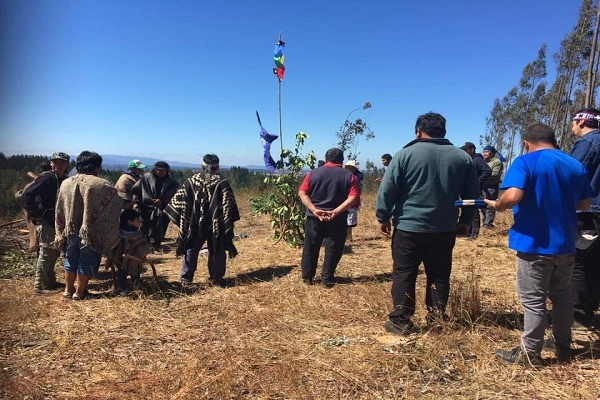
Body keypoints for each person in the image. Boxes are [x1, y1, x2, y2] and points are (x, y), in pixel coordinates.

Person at [485, 124, 592, 365]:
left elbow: (513, 196)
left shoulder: (526, 162)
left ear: (526, 143)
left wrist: (498, 205)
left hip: (534, 244)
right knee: (562, 297)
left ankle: (530, 352)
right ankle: (563, 345)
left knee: (533, 300)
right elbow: (584, 204)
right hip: (565, 244)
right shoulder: (575, 165)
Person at [376, 112, 480, 334]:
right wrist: (466, 221)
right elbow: (472, 194)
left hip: (408, 227)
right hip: (444, 228)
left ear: (418, 131)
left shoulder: (404, 155)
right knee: (439, 274)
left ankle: (400, 320)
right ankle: (437, 319)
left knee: (404, 273)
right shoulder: (462, 158)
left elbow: (388, 189)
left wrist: (383, 217)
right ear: (444, 131)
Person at [54, 151, 123, 300]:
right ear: (96, 166)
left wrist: (62, 227)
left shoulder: (66, 182)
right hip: (91, 231)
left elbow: (59, 208)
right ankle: (80, 292)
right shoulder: (100, 184)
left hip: (69, 230)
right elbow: (116, 202)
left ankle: (68, 290)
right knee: (88, 260)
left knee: (70, 258)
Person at [165, 154, 240, 286]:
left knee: (191, 248)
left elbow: (179, 201)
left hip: (194, 223)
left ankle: (185, 279)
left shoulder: (191, 181)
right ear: (218, 167)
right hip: (216, 224)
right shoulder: (222, 183)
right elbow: (228, 206)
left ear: (202, 166)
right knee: (217, 248)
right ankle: (216, 278)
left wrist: (186, 218)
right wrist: (225, 221)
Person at [298, 148, 360, 288]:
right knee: (334, 248)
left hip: (314, 217)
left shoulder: (312, 173)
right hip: (338, 218)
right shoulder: (350, 176)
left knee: (310, 246)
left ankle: (307, 277)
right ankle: (327, 279)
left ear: (326, 159)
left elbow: (302, 193)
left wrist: (314, 210)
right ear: (342, 160)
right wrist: (336, 211)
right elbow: (354, 196)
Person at [21, 152, 70, 293]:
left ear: (67, 164)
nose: (58, 165)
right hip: (47, 221)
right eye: (56, 162)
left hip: (56, 222)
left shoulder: (62, 179)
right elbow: (27, 194)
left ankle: (50, 282)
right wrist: (35, 214)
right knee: (46, 252)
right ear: (51, 163)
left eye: (62, 162)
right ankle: (39, 286)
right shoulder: (47, 178)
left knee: (53, 252)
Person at [569, 108, 600, 328]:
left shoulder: (589, 142)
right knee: (594, 262)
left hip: (588, 212)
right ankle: (588, 310)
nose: (572, 126)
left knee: (579, 262)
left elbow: (570, 173)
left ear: (581, 121)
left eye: (573, 121)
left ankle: (577, 316)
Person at [132, 161, 178, 252]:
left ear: (167, 171)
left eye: (163, 170)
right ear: (155, 169)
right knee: (143, 225)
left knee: (158, 226)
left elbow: (173, 195)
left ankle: (155, 245)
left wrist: (162, 201)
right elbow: (137, 190)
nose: (161, 172)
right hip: (145, 206)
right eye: (159, 170)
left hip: (161, 207)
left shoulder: (171, 181)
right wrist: (136, 202)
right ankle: (141, 245)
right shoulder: (146, 177)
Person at [106, 209, 151, 295]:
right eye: (137, 219)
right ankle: (122, 288)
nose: (140, 221)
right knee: (124, 273)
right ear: (129, 222)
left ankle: (133, 286)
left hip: (130, 259)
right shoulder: (134, 234)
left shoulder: (126, 232)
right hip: (124, 259)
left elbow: (140, 246)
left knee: (131, 272)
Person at [460, 142, 491, 240]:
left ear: (472, 150)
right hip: (468, 188)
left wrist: (478, 181)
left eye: (465, 150)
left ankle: (474, 233)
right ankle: (468, 232)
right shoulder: (469, 159)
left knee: (474, 210)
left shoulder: (478, 159)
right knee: (468, 209)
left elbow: (487, 170)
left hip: (474, 189)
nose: (464, 152)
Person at [481, 145, 504, 228]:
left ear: (492, 153)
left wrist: (482, 176)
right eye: (484, 152)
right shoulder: (483, 161)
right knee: (482, 204)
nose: (485, 153)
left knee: (490, 204)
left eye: (487, 152)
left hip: (491, 186)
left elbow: (495, 174)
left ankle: (488, 224)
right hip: (482, 186)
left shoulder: (497, 162)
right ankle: (484, 221)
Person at [343, 159, 363, 252]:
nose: (349, 169)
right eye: (348, 167)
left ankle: (349, 236)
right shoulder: (350, 177)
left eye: (351, 167)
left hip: (352, 202)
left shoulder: (355, 178)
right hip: (346, 201)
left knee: (350, 220)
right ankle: (347, 236)